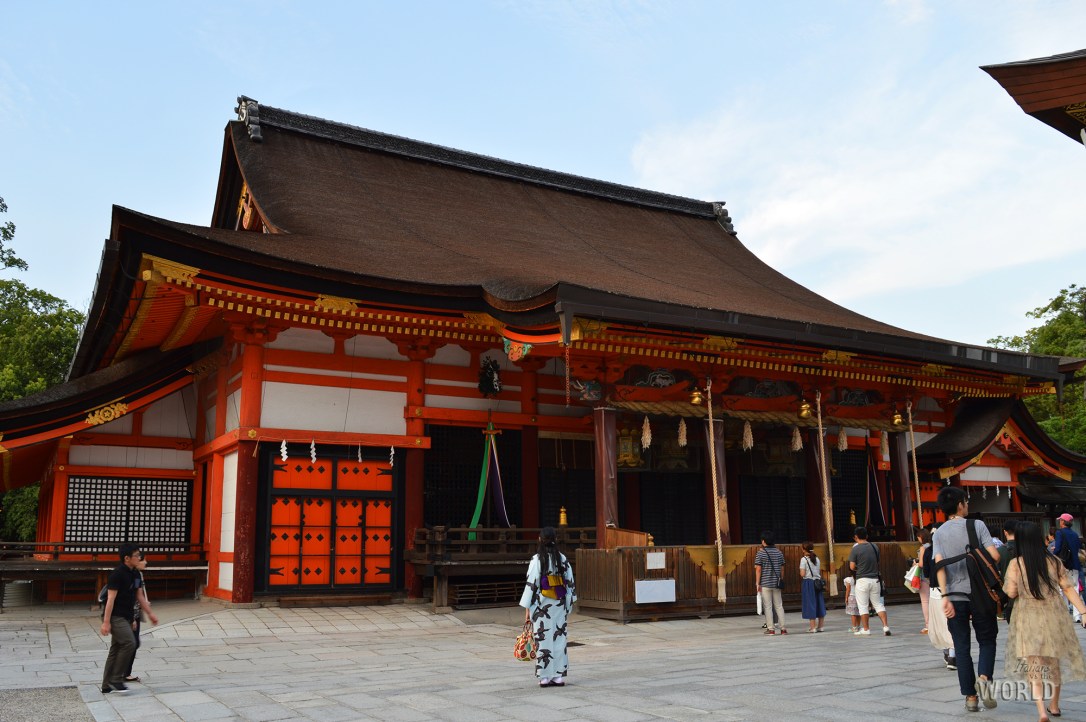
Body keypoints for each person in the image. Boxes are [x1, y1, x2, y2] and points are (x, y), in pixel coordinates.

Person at [1003, 521, 1086, 722]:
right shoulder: (1054, 561)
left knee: (1035, 664)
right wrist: (1083, 611)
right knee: (1054, 661)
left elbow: (1011, 591)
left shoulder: (1016, 564)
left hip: (1027, 616)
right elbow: (1067, 588)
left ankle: (1041, 711)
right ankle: (1055, 706)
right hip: (1053, 615)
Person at [933, 486, 1000, 712]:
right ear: (960, 504)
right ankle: (984, 679)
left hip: (953, 595)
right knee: (987, 640)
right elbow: (995, 555)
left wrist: (944, 596)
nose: (967, 505)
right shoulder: (977, 525)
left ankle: (971, 698)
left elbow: (939, 565)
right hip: (980, 593)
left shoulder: (939, 533)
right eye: (966, 502)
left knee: (961, 647)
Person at [519, 526, 576, 688]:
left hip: (541, 604)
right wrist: (568, 604)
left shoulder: (537, 559)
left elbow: (531, 585)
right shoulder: (562, 559)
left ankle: (544, 676)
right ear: (555, 540)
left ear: (540, 540)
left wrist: (527, 610)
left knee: (542, 640)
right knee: (559, 639)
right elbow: (569, 582)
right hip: (558, 603)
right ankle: (558, 676)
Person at [99, 543, 157, 694]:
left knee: (116, 648)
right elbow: (110, 600)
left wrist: (149, 614)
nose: (139, 558)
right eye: (137, 556)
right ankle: (116, 679)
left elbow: (138, 596)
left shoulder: (136, 574)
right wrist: (106, 623)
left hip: (126, 616)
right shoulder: (117, 574)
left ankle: (106, 685)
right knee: (130, 643)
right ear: (127, 558)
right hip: (115, 616)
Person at [848, 526, 891, 636]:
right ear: (866, 536)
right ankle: (885, 626)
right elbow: (877, 561)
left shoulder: (855, 549)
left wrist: (860, 568)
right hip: (875, 579)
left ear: (856, 537)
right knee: (878, 604)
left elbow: (852, 566)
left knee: (863, 606)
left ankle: (866, 629)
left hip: (862, 580)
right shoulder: (874, 547)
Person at [123, 552, 153, 683]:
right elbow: (131, 597)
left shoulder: (138, 574)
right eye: (143, 560)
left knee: (133, 642)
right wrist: (132, 617)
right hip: (131, 612)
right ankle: (122, 672)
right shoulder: (133, 575)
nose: (145, 563)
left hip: (136, 612)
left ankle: (125, 672)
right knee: (132, 643)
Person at [754, 530, 787, 635]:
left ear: (763, 541)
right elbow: (782, 568)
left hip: (765, 583)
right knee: (779, 605)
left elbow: (758, 569)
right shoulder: (779, 552)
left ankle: (771, 629)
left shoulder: (760, 553)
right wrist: (781, 579)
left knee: (767, 606)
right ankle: (783, 628)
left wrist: (757, 583)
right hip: (776, 583)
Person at [1052, 513, 1083, 621]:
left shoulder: (1059, 533)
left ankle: (1064, 614)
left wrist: (1053, 553)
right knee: (1075, 589)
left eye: (1060, 520)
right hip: (1075, 564)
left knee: (1062, 588)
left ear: (1063, 522)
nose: (1059, 522)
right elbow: (1079, 547)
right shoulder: (1075, 534)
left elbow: (1058, 548)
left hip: (1064, 564)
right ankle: (1077, 615)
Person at [799, 541, 826, 632]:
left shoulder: (804, 560)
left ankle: (812, 627)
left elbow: (802, 573)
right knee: (819, 603)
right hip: (817, 583)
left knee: (810, 603)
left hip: (808, 583)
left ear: (803, 549)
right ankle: (821, 626)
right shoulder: (817, 558)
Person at [999, 522, 1020, 623]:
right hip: (1025, 593)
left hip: (1007, 592)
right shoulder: (1025, 549)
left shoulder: (999, 551)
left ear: (1005, 532)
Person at [917, 528, 933, 634]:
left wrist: (915, 563)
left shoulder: (923, 548)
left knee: (925, 601)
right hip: (934, 576)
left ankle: (928, 625)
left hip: (924, 577)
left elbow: (921, 564)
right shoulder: (933, 546)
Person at [840, 562, 860, 632]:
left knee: (853, 613)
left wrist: (846, 598)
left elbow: (848, 589)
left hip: (851, 597)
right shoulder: (859, 579)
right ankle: (858, 626)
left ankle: (854, 627)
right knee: (858, 613)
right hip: (859, 597)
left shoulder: (848, 579)